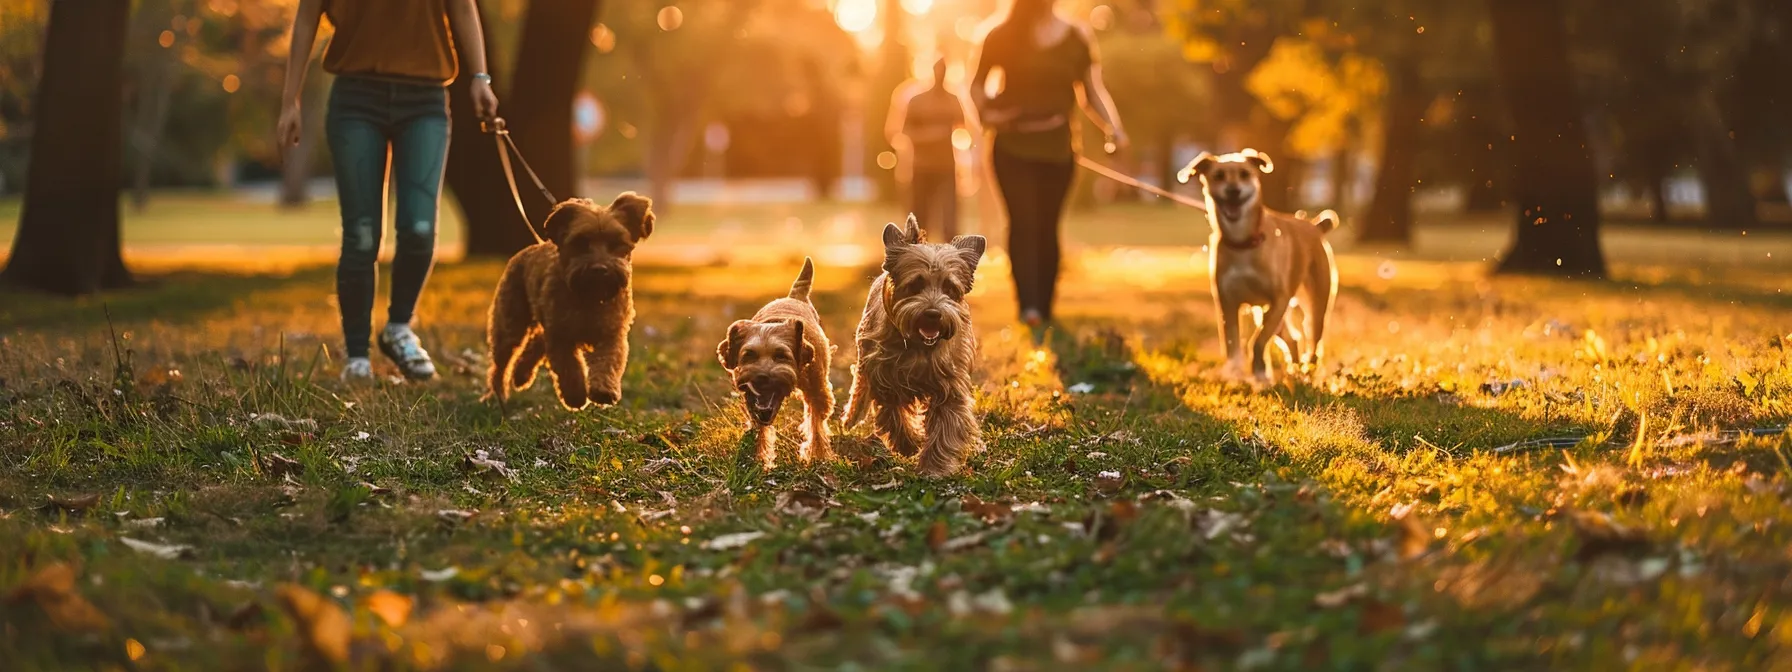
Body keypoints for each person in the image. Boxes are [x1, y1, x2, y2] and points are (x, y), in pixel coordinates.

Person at [278, 0, 499, 381]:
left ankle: (399, 328)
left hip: (426, 98)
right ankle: (357, 355)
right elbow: (306, 18)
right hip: (356, 98)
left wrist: (481, 76)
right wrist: (289, 100)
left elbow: (463, 8)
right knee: (362, 235)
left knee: (419, 228)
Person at [969, 0, 1127, 330]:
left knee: (1046, 226)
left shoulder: (1075, 37)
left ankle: (1045, 305)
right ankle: (1027, 306)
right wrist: (989, 116)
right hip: (1011, 148)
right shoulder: (999, 34)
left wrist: (1114, 128)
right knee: (1023, 222)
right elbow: (976, 87)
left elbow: (1091, 91)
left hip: (1057, 149)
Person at [886, 57, 969, 239]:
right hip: (922, 165)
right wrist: (932, 135)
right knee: (919, 217)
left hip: (946, 166)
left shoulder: (952, 100)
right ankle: (917, 256)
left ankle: (951, 257)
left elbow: (964, 126)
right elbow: (904, 132)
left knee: (950, 217)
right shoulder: (918, 101)